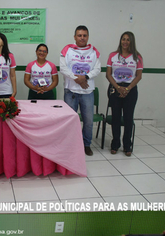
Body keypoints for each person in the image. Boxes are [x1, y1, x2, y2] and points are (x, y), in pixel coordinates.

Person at [60, 25, 101, 156]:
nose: (82, 38)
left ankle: (86, 144)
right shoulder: (67, 50)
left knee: (88, 121)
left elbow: (97, 69)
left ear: (88, 37)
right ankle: (70, 144)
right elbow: (63, 68)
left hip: (87, 92)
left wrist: (86, 77)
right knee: (69, 121)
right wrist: (77, 79)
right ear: (75, 37)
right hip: (70, 91)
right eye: (79, 35)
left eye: (84, 35)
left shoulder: (94, 51)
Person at [106, 31, 143, 156]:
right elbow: (108, 74)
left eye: (128, 39)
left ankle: (127, 145)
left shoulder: (137, 57)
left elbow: (138, 76)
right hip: (115, 88)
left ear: (131, 42)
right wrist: (117, 88)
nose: (125, 42)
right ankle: (115, 144)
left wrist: (127, 89)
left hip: (130, 90)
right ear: (120, 41)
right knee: (116, 118)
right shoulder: (113, 55)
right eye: (123, 39)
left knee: (128, 118)